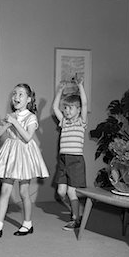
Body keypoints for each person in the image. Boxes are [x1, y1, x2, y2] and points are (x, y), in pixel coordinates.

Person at [0, 84, 49, 238]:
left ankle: (27, 223)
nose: (16, 97)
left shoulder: (31, 117)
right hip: (10, 153)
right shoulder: (11, 115)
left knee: (23, 191)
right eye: (14, 93)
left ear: (28, 99)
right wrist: (7, 123)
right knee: (5, 190)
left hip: (24, 155)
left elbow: (27, 138)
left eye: (21, 94)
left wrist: (15, 123)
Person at [52, 78, 88, 231]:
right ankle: (76, 211)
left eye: (70, 108)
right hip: (63, 160)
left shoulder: (81, 122)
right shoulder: (64, 122)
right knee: (61, 192)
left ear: (78, 110)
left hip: (75, 160)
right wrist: (60, 91)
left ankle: (76, 218)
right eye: (65, 108)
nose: (66, 111)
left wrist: (80, 86)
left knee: (71, 191)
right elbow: (55, 108)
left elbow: (85, 103)